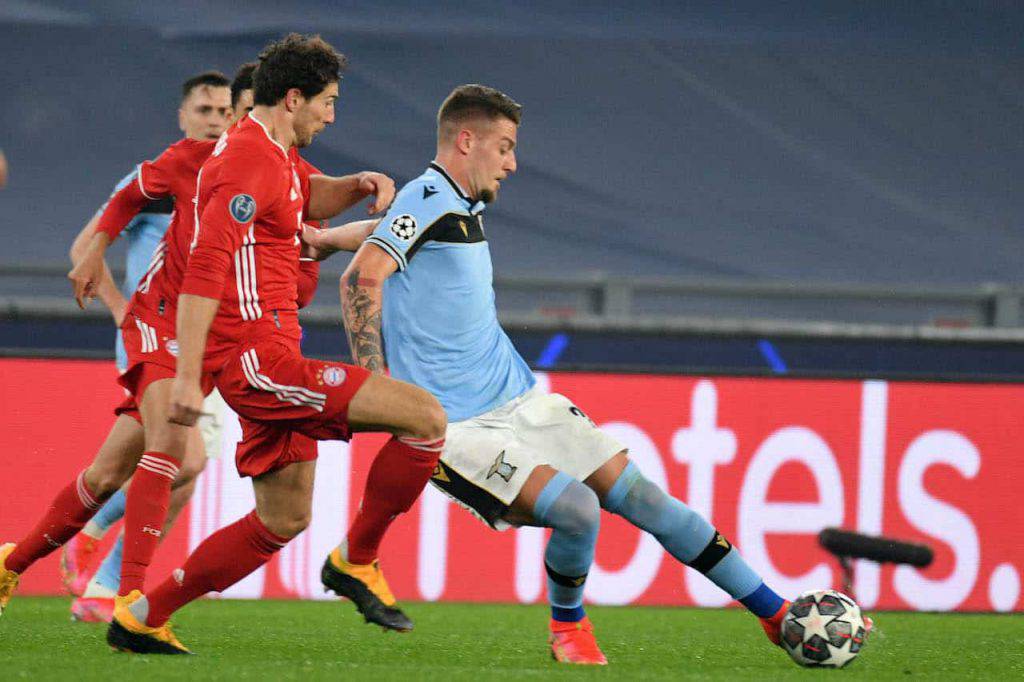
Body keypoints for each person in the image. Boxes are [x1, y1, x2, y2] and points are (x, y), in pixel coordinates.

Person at [336, 84, 792, 666]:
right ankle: (568, 631)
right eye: (504, 147)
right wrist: (378, 389)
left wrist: (325, 238)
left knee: (645, 498)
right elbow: (361, 280)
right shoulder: (429, 194)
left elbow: (394, 236)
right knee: (577, 509)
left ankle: (776, 613)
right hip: (460, 427)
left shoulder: (453, 204)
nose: (512, 162)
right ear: (466, 140)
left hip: (522, 400)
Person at [105, 33, 446, 655]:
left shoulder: (273, 154)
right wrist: (186, 379)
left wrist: (356, 183)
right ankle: (358, 560)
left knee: (285, 518)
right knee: (425, 418)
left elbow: (295, 202)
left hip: (269, 351)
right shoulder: (244, 161)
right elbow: (207, 266)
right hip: (258, 362)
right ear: (294, 98)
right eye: (329, 102)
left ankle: (142, 616)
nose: (332, 115)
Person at [0, 71, 235, 622]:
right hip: (152, 337)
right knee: (182, 455)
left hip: (200, 344)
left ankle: (36, 564)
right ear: (182, 117)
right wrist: (120, 309)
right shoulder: (159, 176)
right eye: (204, 110)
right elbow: (86, 246)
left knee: (120, 474)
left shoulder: (230, 179)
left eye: (225, 111)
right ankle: (118, 585)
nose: (215, 120)